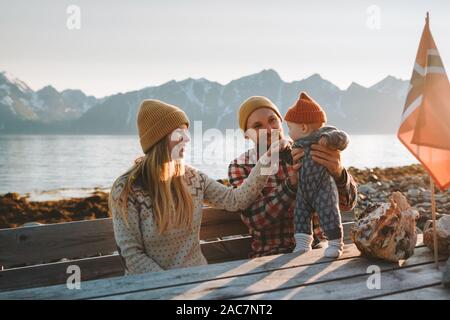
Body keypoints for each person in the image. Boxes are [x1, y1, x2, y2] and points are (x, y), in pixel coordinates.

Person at [109, 99, 285, 274]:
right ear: (159, 139)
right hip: (151, 288)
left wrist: (267, 159)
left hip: (197, 279)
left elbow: (235, 200)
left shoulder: (192, 177)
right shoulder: (126, 189)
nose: (187, 138)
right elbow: (131, 255)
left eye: (187, 132)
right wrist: (169, 284)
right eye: (180, 133)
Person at [228, 96, 357, 258]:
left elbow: (348, 204)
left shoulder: (311, 149)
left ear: (281, 121)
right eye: (257, 126)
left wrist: (338, 172)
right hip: (271, 256)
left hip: (319, 250)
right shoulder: (241, 166)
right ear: (246, 135)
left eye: (272, 120)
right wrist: (290, 186)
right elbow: (255, 220)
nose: (269, 129)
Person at [285, 92, 350, 258]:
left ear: (304, 128)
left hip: (323, 186)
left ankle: (335, 243)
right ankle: (302, 244)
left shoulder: (324, 135)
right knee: (300, 214)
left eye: (290, 128)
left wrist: (329, 141)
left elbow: (343, 137)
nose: (289, 133)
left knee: (329, 212)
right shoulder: (293, 147)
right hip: (303, 191)